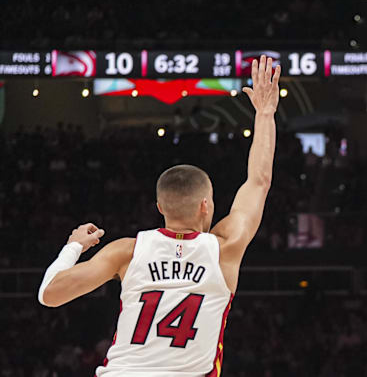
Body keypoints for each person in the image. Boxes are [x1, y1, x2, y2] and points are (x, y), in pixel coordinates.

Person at [37, 55, 281, 376]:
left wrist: (74, 246)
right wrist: (265, 113)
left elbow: (49, 295)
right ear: (206, 205)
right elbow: (259, 182)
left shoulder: (127, 251)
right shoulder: (224, 249)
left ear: (160, 207)